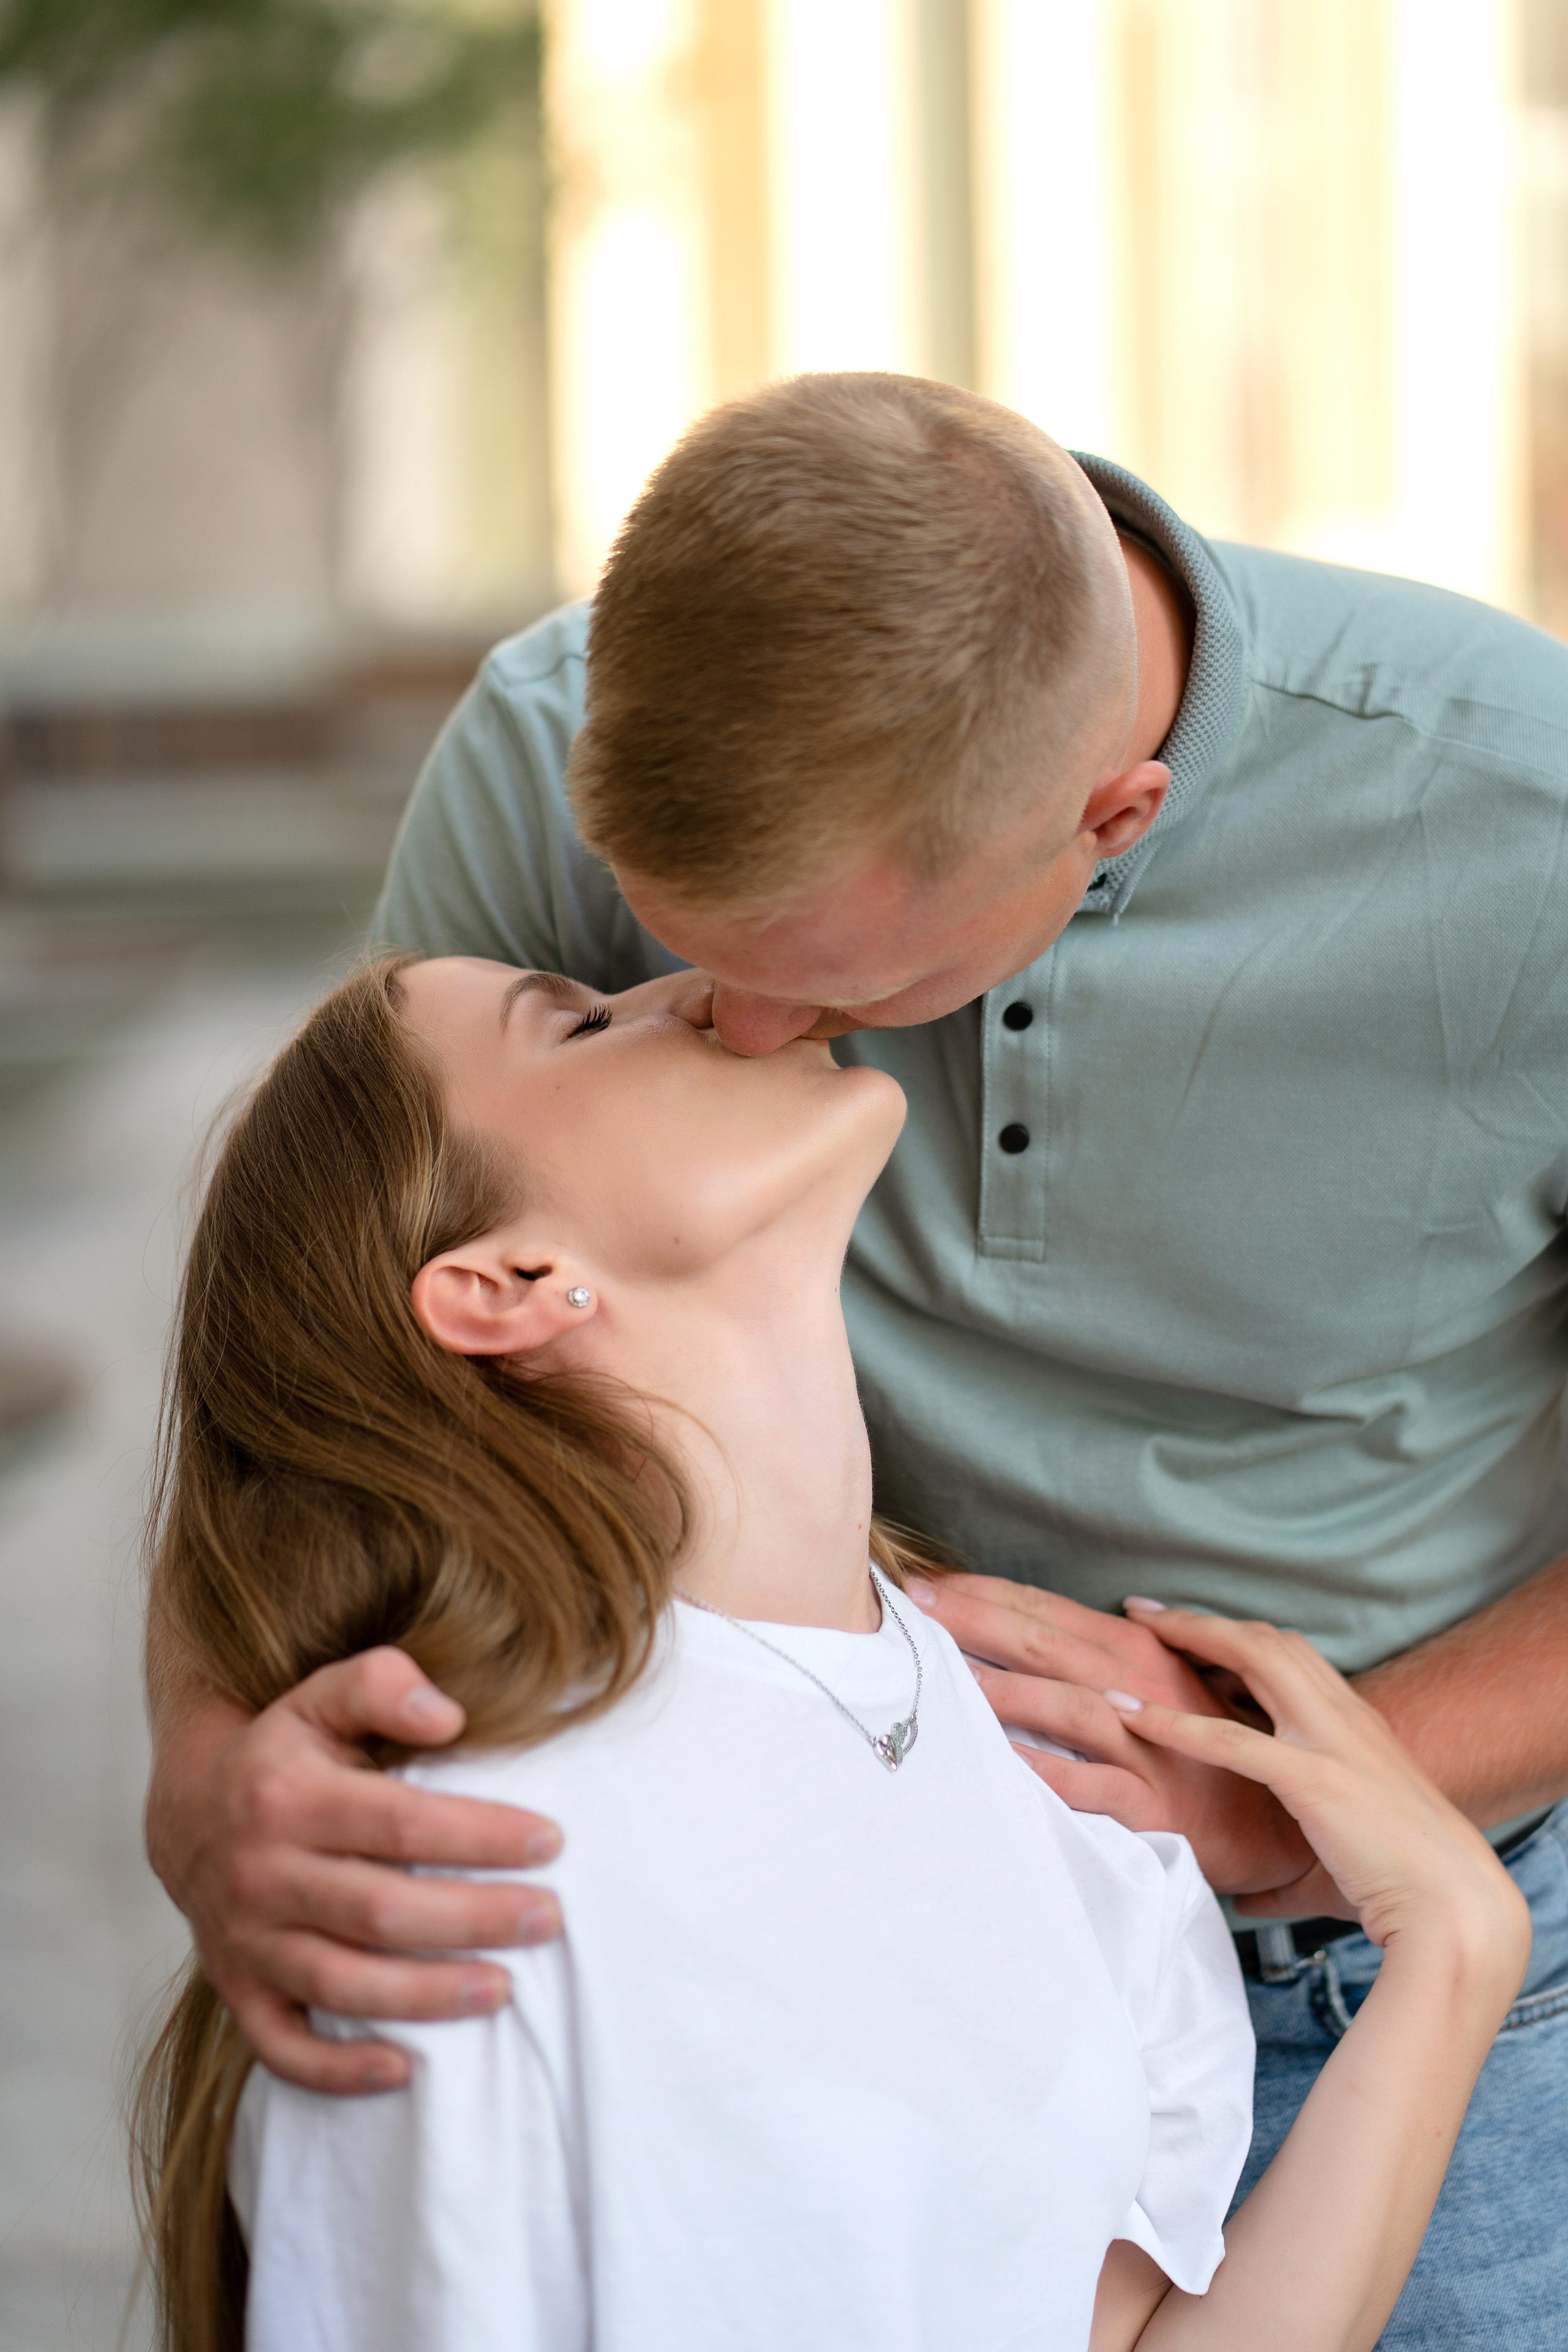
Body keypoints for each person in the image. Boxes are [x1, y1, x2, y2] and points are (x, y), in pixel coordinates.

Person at [142, 374, 1568, 2344]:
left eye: (841, 982)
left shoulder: (1533, 826)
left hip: (1401, 1942)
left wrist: (1317, 1823)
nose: (733, 1020)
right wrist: (210, 1772)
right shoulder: (552, 745)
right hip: (860, 1871)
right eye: (649, 945)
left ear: (1112, 825)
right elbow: (326, 1323)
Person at [135, 951, 1528, 2352]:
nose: (693, 985)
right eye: (573, 1020)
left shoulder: (1038, 1773)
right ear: (508, 1280)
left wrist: (1454, 1946)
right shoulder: (460, 1866)